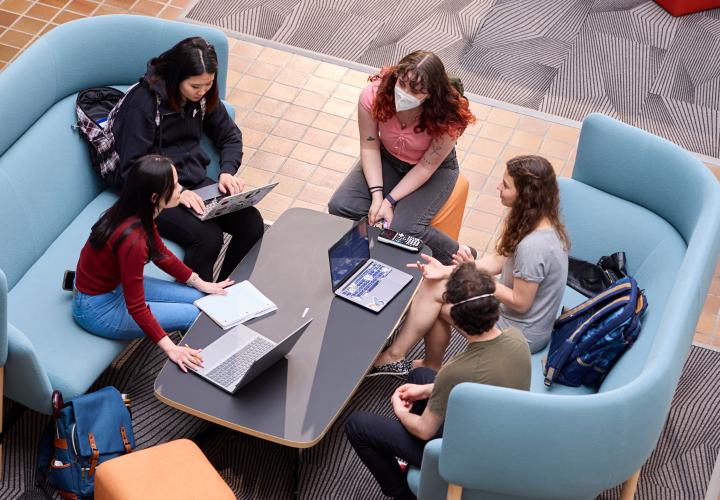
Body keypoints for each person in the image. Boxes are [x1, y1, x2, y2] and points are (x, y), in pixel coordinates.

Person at [371, 155, 570, 375]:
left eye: (505, 185)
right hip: (521, 320)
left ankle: (404, 359)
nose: (498, 187)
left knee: (435, 300)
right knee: (435, 284)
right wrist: (447, 270)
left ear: (525, 195)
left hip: (520, 335)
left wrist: (476, 277)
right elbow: (496, 261)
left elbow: (520, 302)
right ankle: (411, 361)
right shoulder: (539, 221)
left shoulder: (533, 247)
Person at [346, 264, 531, 500]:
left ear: (457, 320)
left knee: (357, 425)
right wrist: (427, 390)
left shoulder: (455, 370)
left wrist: (400, 412)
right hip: (501, 440)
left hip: (465, 459)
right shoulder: (517, 340)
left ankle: (402, 493)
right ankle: (411, 452)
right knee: (420, 376)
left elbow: (424, 431)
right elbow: (482, 379)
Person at [112, 36, 264, 282]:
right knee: (207, 238)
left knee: (251, 222)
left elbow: (230, 136)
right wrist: (176, 192)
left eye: (209, 84)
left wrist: (227, 171)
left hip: (194, 183)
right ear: (176, 76)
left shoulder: (202, 98)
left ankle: (229, 290)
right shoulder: (142, 105)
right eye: (195, 86)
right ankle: (197, 306)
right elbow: (131, 168)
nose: (203, 91)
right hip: (152, 192)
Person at [72, 155, 233, 372]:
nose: (180, 189)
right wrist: (171, 348)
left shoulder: (137, 212)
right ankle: (209, 369)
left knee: (202, 299)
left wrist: (201, 283)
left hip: (114, 286)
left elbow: (161, 254)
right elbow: (136, 307)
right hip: (97, 309)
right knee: (193, 315)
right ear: (156, 197)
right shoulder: (133, 240)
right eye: (175, 186)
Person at [328, 51, 476, 265]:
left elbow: (427, 166)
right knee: (341, 205)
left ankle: (459, 254)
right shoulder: (373, 94)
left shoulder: (448, 116)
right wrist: (377, 196)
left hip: (432, 171)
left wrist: (390, 201)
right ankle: (373, 246)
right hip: (387, 158)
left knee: (402, 229)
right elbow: (369, 146)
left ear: (432, 93)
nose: (405, 92)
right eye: (403, 83)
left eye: (416, 90)